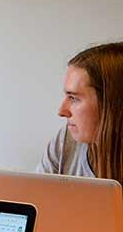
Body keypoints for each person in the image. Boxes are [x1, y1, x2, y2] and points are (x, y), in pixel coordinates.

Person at [37, 42, 123, 186]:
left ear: (112, 103)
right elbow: (36, 201)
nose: (62, 111)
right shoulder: (65, 142)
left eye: (74, 98)